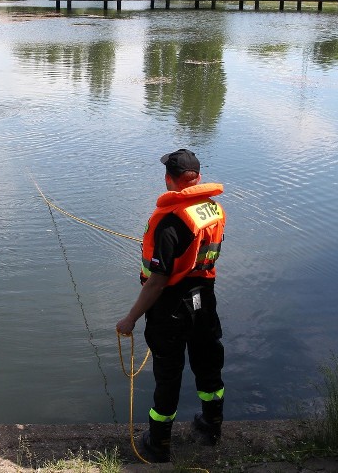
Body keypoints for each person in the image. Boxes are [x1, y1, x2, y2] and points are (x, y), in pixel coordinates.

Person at [116, 149, 226, 463]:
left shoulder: (168, 223)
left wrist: (130, 319)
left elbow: (157, 280)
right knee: (208, 366)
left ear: (169, 181)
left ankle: (159, 444)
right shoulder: (212, 209)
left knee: (168, 375)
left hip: (172, 310)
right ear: (198, 179)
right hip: (204, 301)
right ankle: (212, 426)